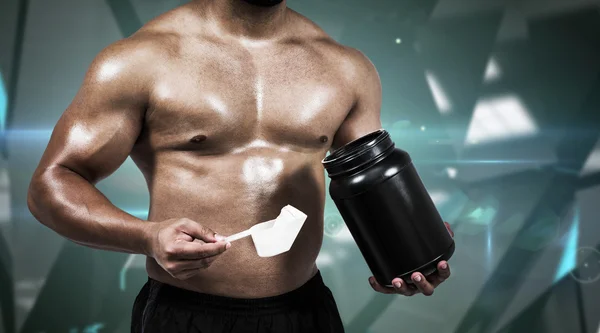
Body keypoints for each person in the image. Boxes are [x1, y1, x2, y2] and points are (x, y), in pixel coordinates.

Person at [27, 0, 454, 332]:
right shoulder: (140, 61)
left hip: (305, 310)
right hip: (186, 314)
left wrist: (407, 254)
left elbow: (372, 183)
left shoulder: (345, 68)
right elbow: (51, 185)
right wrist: (148, 237)